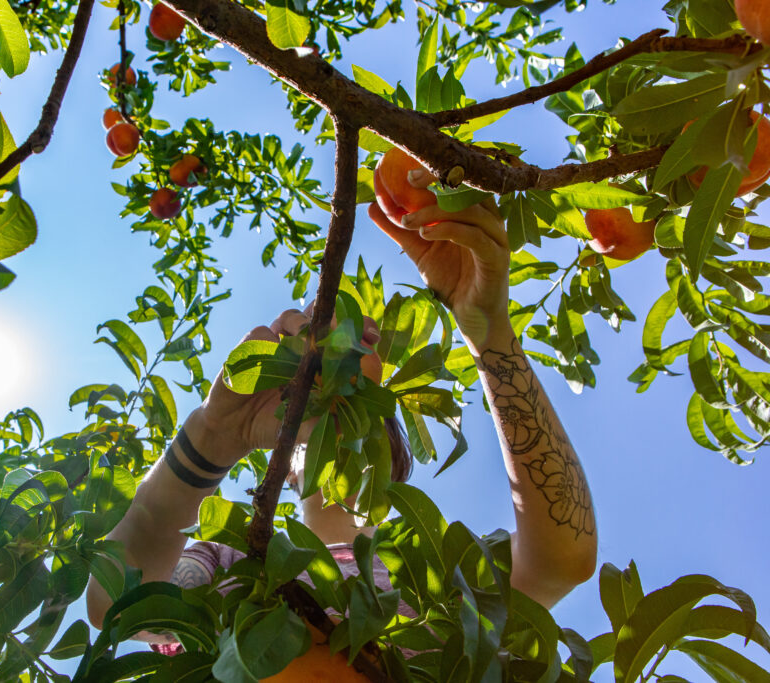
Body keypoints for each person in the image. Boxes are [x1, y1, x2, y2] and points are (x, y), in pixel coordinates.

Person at [85, 170, 598, 651]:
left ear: (393, 458)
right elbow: (116, 603)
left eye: (360, 420)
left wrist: (488, 330)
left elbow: (563, 560)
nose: (339, 429)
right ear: (285, 469)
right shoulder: (230, 561)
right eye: (319, 423)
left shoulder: (442, 574)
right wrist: (214, 434)